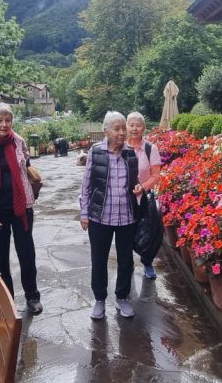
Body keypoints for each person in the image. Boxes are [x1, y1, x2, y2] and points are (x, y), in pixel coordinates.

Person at [0, 103, 43, 315]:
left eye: (7, 120)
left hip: (21, 210)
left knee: (27, 254)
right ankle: (7, 302)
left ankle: (32, 297)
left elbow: (27, 170)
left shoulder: (19, 141)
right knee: (1, 260)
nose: (4, 124)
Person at [80, 111, 144, 320]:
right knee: (99, 258)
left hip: (126, 216)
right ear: (105, 130)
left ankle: (122, 298)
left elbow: (135, 182)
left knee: (126, 259)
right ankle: (99, 299)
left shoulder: (130, 154)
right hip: (100, 216)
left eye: (123, 128)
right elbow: (87, 184)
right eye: (117, 129)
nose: (122, 133)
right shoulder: (96, 152)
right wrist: (84, 212)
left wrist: (138, 188)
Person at [126, 112, 162, 279]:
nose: (134, 128)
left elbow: (156, 175)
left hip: (143, 199)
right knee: (125, 233)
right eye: (131, 125)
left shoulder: (150, 149)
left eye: (138, 125)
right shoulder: (120, 148)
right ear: (126, 126)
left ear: (143, 128)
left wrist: (143, 187)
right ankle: (128, 263)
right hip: (123, 200)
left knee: (147, 232)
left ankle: (147, 263)